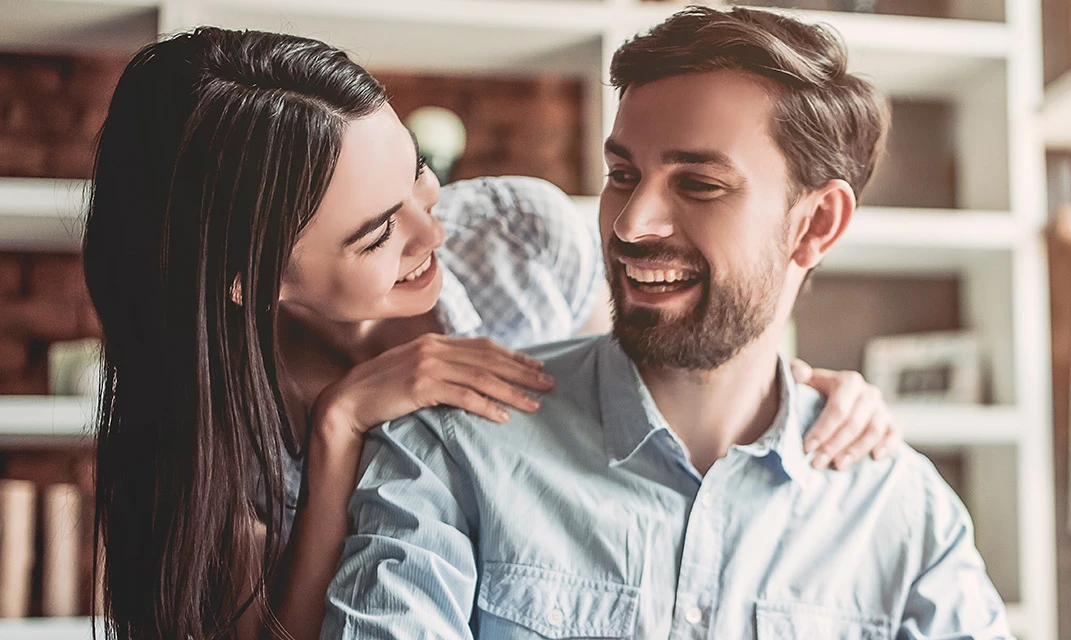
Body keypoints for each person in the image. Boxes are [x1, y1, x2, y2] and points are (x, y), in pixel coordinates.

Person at [83, 26, 903, 640]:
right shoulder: (201, 438)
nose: (432, 234)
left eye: (417, 176)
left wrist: (789, 390)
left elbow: (656, 372)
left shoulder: (518, 239)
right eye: (376, 235)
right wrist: (340, 427)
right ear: (252, 281)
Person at [322, 7, 1012, 639]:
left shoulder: (904, 515)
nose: (631, 222)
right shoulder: (452, 447)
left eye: (699, 184)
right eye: (623, 174)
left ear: (816, 225)